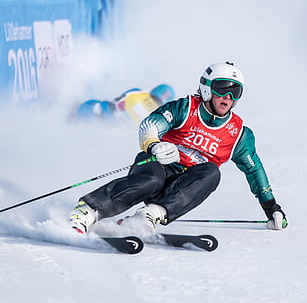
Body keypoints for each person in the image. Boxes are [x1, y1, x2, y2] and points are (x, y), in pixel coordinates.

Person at [69, 62, 288, 235]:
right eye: (222, 89)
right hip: (156, 166)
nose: (228, 98)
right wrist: (154, 145)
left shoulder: (238, 133)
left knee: (212, 172)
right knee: (152, 179)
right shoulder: (185, 108)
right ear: (207, 88)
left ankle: (148, 215)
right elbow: (150, 124)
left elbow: (254, 170)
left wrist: (271, 207)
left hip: (181, 186)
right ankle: (87, 211)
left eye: (235, 92)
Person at [70, 84, 176, 125]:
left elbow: (118, 99)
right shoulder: (157, 116)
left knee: (77, 110)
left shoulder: (138, 92)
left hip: (101, 111)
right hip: (112, 127)